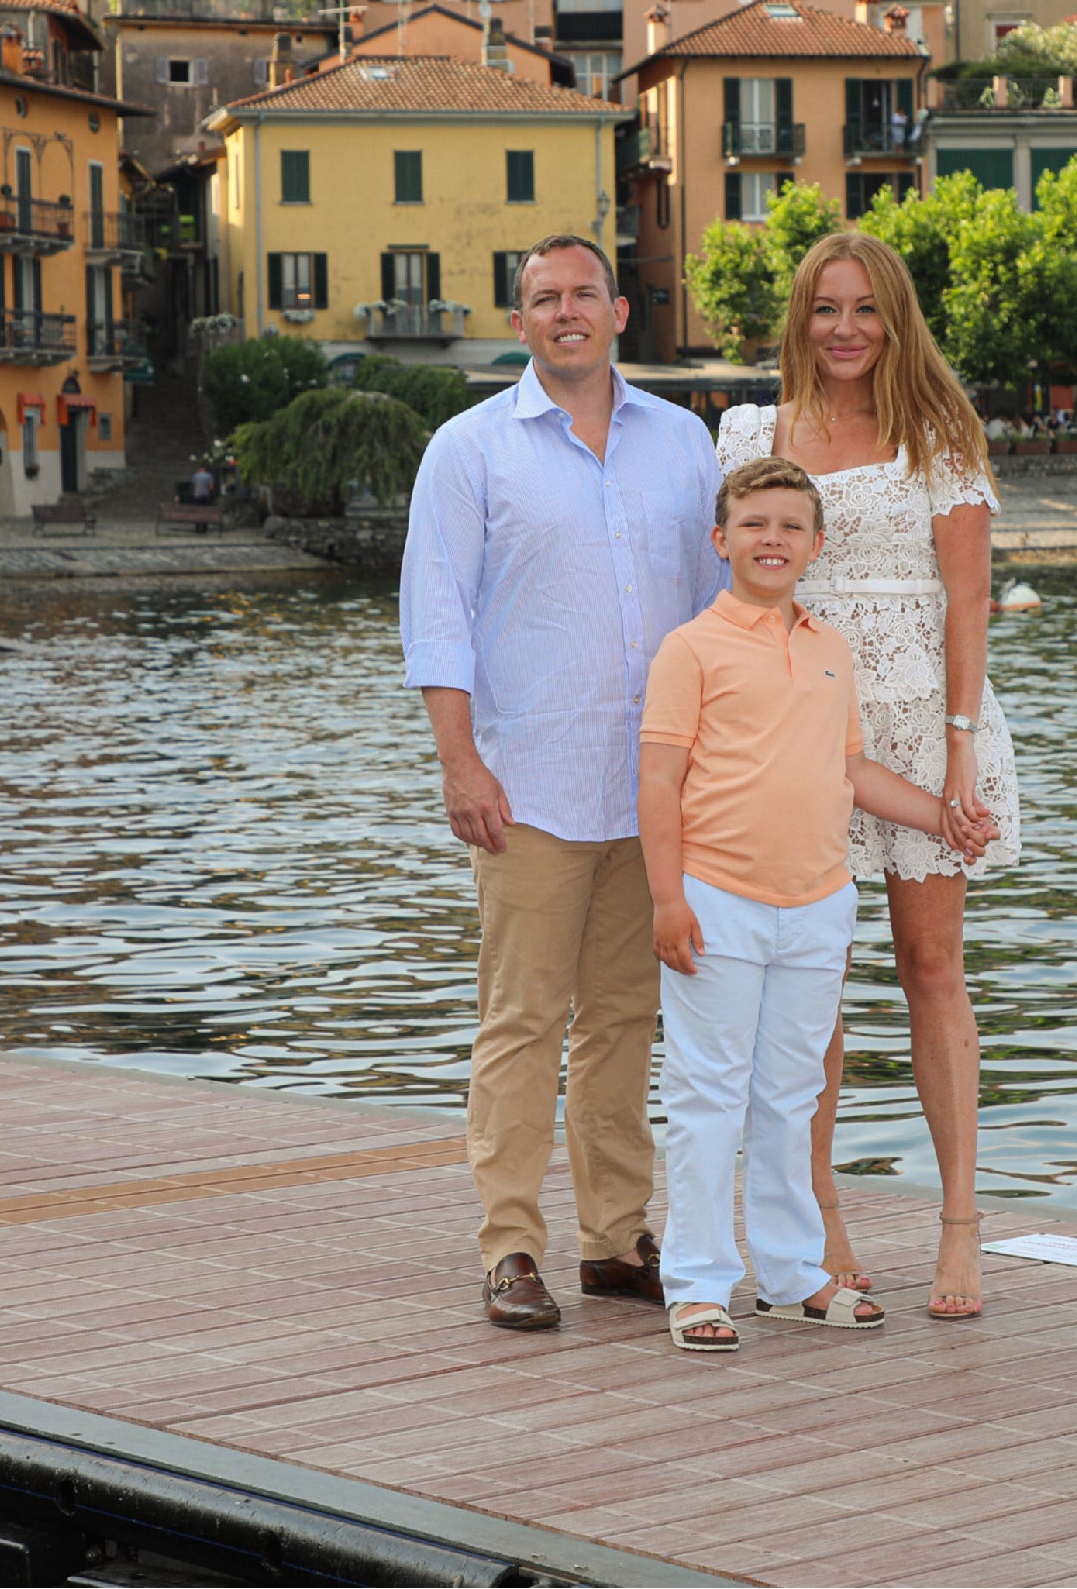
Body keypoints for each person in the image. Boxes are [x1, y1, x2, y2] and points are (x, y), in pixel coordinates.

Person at [401, 232, 725, 1330]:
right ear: (521, 318)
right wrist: (459, 761)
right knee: (522, 1020)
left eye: (583, 293)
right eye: (544, 298)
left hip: (651, 791)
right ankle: (509, 1246)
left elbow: (720, 609)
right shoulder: (467, 448)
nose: (565, 312)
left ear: (619, 312)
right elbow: (436, 614)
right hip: (526, 784)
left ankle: (614, 1239)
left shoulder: (685, 443)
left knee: (627, 1021)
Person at [714, 230, 1023, 1319]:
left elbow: (968, 601)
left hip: (921, 719)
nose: (843, 329)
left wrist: (954, 749)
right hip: (797, 729)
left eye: (864, 309)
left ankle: (957, 1224)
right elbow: (739, 569)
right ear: (797, 318)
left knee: (930, 964)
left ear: (895, 319)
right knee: (812, 983)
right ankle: (818, 1222)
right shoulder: (750, 430)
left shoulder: (941, 432)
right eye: (823, 308)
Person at [640, 457, 986, 1352]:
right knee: (707, 1095)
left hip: (818, 903)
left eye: (791, 527)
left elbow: (852, 771)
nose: (772, 540)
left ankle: (792, 1277)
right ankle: (698, 1283)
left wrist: (944, 819)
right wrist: (667, 900)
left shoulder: (831, 649)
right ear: (720, 540)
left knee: (790, 1096)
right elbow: (657, 782)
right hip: (717, 900)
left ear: (817, 546)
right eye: (753, 524)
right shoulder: (691, 649)